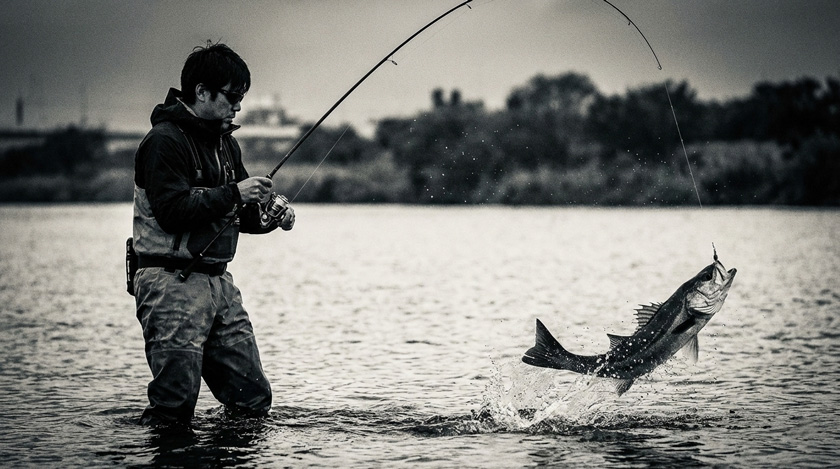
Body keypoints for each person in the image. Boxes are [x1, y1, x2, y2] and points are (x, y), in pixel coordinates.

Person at [132, 43, 294, 426]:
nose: (238, 106)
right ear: (201, 91)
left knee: (253, 400)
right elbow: (172, 213)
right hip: (170, 282)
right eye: (232, 96)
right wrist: (236, 193)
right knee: (174, 408)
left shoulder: (226, 144)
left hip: (219, 284)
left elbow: (238, 215)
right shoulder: (163, 142)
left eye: (242, 97)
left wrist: (270, 215)